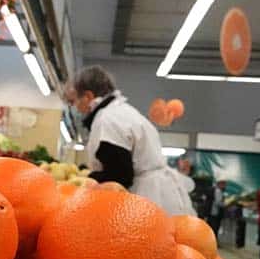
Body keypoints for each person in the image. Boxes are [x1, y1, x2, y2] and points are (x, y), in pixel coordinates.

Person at [65, 65, 195, 217]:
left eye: (73, 101)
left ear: (87, 96)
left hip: (146, 196)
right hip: (159, 193)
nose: (74, 107)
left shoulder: (107, 119)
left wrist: (86, 180)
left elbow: (120, 175)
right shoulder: (122, 112)